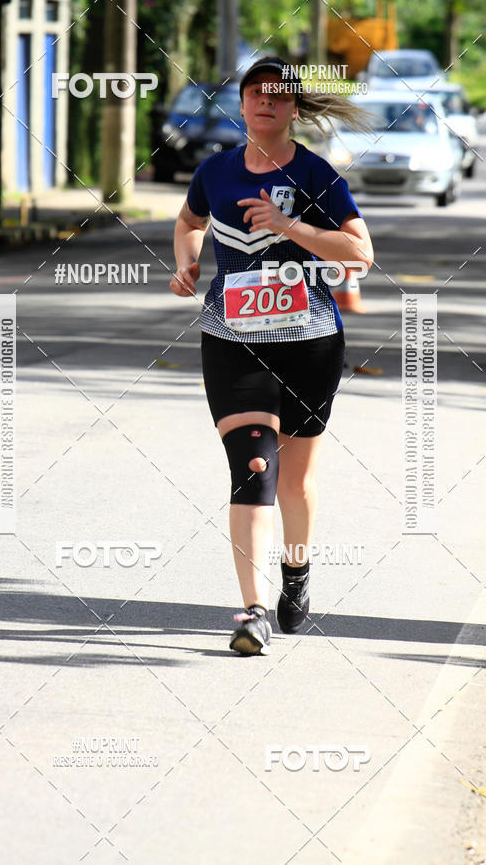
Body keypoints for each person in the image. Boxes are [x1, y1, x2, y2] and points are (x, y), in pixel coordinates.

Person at [170, 56, 374, 656]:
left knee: (298, 480)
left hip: (308, 342)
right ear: (242, 104)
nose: (266, 104)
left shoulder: (317, 176)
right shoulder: (216, 171)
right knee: (254, 467)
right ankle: (251, 610)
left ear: (292, 110)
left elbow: (359, 254)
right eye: (256, 95)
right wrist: (186, 260)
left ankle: (297, 570)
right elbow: (189, 220)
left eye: (279, 97)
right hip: (231, 338)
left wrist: (289, 226)